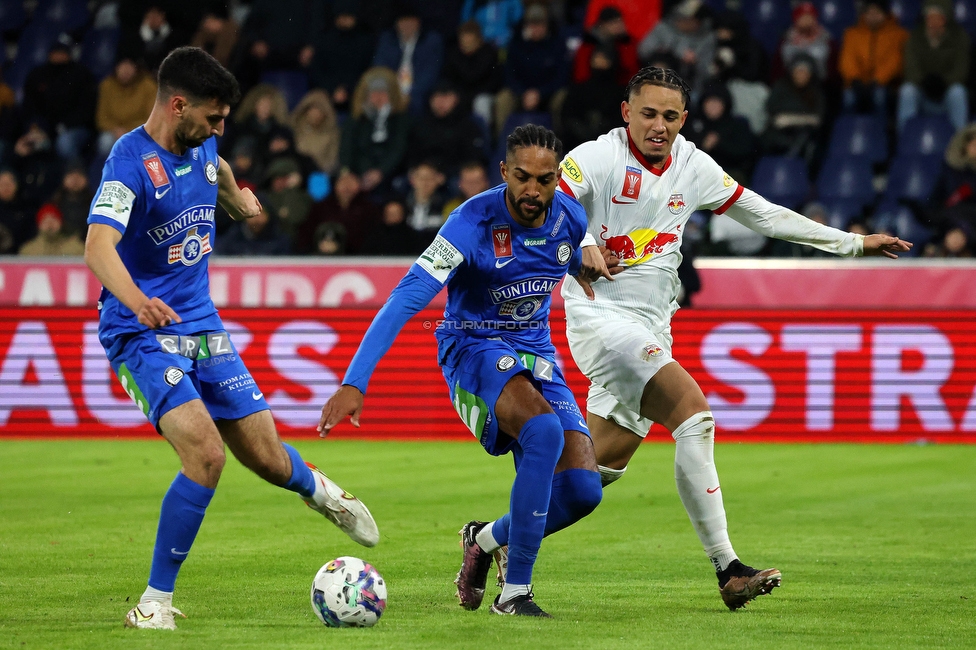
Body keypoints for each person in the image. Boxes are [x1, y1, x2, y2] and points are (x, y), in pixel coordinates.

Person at [555, 66, 912, 611]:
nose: (659, 126)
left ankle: (488, 539)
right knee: (694, 416)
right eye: (648, 113)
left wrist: (853, 243)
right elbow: (557, 188)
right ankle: (729, 569)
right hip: (601, 318)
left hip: (652, 324)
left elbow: (763, 214)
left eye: (670, 116)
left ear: (684, 120)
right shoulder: (598, 156)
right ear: (626, 112)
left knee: (592, 474)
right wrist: (580, 237)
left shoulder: (694, 166)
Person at [83, 47, 379, 631]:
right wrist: (138, 302)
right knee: (207, 455)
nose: (221, 129)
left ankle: (322, 493)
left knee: (268, 460)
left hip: (203, 329)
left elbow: (216, 172)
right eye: (213, 118)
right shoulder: (128, 160)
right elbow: (97, 245)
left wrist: (236, 198)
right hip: (142, 332)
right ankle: (154, 604)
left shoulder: (206, 148)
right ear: (177, 105)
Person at [319, 125, 604, 617]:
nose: (533, 191)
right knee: (542, 432)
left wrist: (585, 264)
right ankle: (515, 595)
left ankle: (485, 539)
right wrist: (353, 380)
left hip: (536, 352)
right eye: (523, 178)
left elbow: (563, 253)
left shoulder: (570, 218)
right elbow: (408, 296)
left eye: (545, 179)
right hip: (473, 347)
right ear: (504, 173)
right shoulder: (469, 223)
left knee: (582, 491)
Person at [897, 0, 970, 132]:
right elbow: (910, 68)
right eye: (930, 18)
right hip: (923, 93)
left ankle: (960, 139)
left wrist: (943, 82)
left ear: (945, 19)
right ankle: (905, 137)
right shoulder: (914, 37)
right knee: (907, 91)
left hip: (946, 93)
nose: (934, 22)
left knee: (958, 92)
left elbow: (961, 70)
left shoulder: (960, 37)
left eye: (938, 18)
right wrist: (924, 82)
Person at [838, 0, 908, 119]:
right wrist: (855, 80)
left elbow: (895, 62)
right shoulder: (852, 34)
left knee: (878, 96)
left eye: (877, 13)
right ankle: (850, 132)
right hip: (857, 83)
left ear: (885, 14)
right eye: (869, 13)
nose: (872, 17)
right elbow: (847, 60)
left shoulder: (898, 34)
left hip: (885, 84)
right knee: (848, 97)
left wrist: (877, 81)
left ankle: (879, 133)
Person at [19, 203, 85, 256]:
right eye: (45, 221)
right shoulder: (28, 250)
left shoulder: (76, 247)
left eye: (54, 219)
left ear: (61, 223)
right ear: (39, 224)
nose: (50, 224)